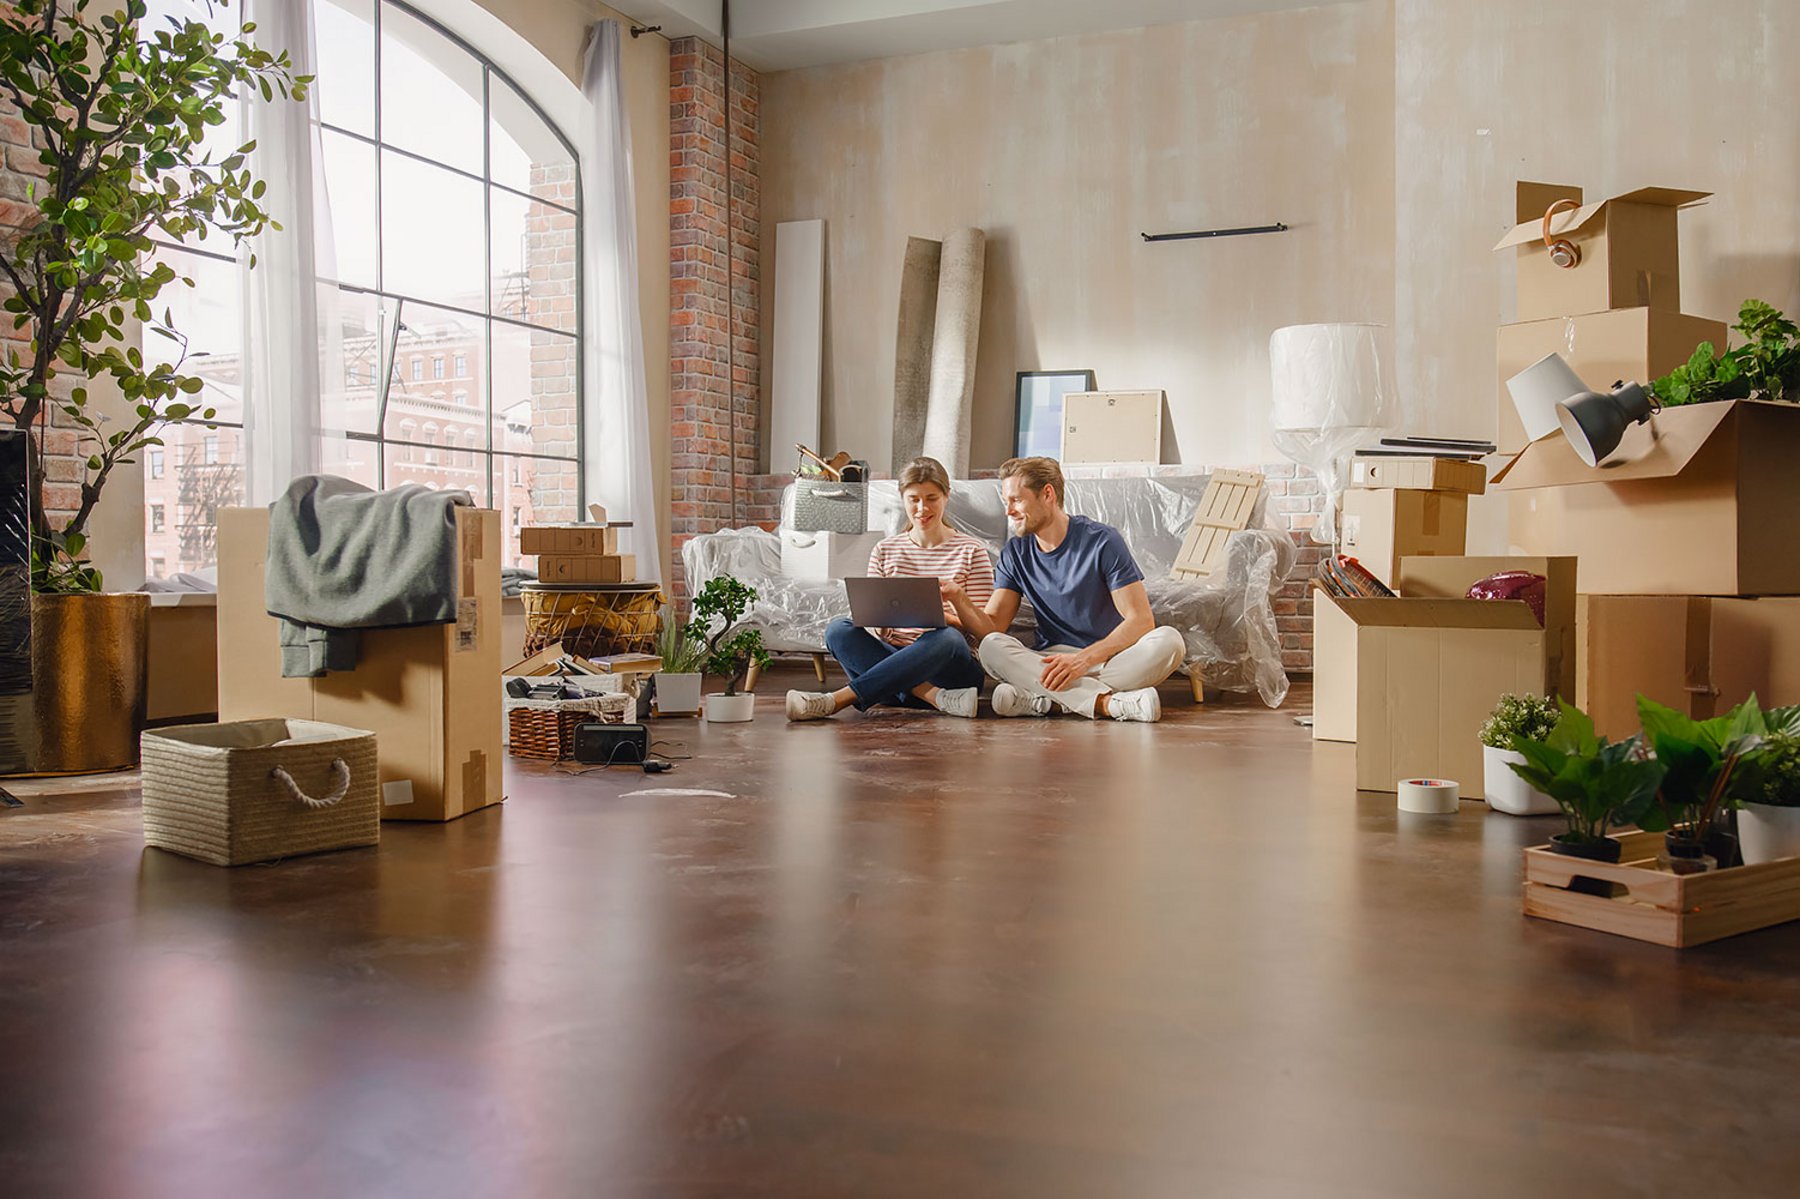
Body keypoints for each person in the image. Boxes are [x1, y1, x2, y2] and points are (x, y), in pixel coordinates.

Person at [940, 456, 1184, 722]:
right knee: (991, 647)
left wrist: (1082, 661)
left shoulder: (1102, 541)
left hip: (1107, 658)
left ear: (1047, 494)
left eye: (1016, 500)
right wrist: (957, 600)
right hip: (1049, 661)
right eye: (1005, 501)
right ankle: (1109, 704)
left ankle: (1047, 702)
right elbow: (994, 627)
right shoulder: (1015, 552)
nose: (1009, 511)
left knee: (1169, 641)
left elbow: (1141, 621)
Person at [786, 457, 994, 722]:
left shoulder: (971, 551)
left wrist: (948, 614)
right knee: (838, 629)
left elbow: (985, 633)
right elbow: (878, 630)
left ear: (947, 496)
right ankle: (933, 697)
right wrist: (881, 621)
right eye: (914, 499)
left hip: (950, 671)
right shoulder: (885, 550)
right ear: (903, 498)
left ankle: (835, 700)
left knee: (947, 638)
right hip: (895, 664)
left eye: (931, 498)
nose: (922, 508)